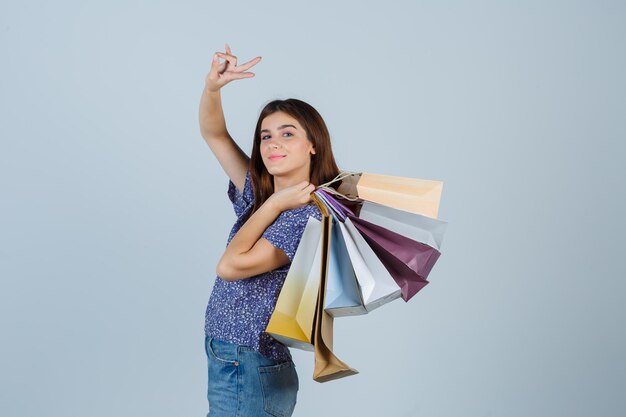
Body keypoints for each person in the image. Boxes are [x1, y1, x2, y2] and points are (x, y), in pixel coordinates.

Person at [198, 43, 343, 417]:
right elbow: (215, 135)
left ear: (313, 145)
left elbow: (230, 266)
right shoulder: (261, 193)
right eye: (265, 135)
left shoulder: (304, 217)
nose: (273, 143)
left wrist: (275, 205)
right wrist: (213, 89)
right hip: (234, 356)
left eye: (288, 133)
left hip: (248, 361)